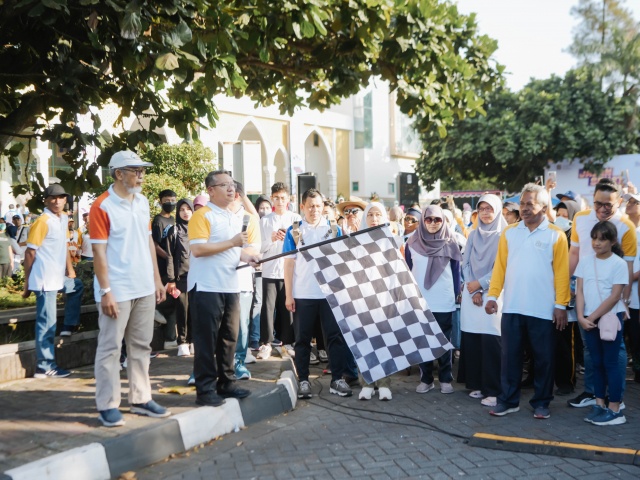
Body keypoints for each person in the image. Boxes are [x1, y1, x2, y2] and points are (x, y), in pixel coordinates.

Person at [91, 150, 170, 427]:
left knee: (141, 346)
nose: (141, 175)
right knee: (111, 347)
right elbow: (99, 254)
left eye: (142, 170)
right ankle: (107, 405)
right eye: (135, 170)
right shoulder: (102, 206)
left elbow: (149, 242)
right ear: (118, 174)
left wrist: (157, 280)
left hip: (144, 286)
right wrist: (106, 291)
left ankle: (141, 398)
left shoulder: (143, 201)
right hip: (117, 289)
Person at [485, 183, 570, 419]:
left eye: (529, 204)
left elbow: (562, 273)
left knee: (544, 359)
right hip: (512, 306)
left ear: (544, 207)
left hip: (543, 310)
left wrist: (561, 304)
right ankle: (508, 400)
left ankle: (542, 402)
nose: (524, 208)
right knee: (510, 358)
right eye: (522, 203)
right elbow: (499, 268)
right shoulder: (509, 232)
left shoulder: (556, 235)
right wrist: (493, 296)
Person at [187, 170, 259, 407]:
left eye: (232, 184)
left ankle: (226, 383)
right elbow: (198, 250)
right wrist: (233, 243)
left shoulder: (234, 217)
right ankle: (205, 389)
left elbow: (234, 250)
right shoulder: (202, 215)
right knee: (207, 340)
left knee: (229, 337)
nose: (231, 188)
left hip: (230, 286)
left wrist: (249, 258)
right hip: (206, 287)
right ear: (210, 190)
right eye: (224, 185)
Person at [567, 179, 635, 409]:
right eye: (598, 203)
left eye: (609, 205)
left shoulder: (627, 227)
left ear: (618, 203)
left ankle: (616, 399)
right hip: (584, 297)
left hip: (611, 302)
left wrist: (623, 303)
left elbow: (627, 268)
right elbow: (574, 253)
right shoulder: (580, 218)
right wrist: (567, 285)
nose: (602, 209)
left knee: (614, 352)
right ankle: (593, 393)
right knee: (590, 349)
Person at [284, 188, 353, 399]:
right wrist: (288, 295)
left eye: (318, 205)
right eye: (310, 206)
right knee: (302, 339)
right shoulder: (294, 230)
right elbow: (288, 264)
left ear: (323, 207)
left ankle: (337, 380)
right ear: (302, 206)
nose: (314, 210)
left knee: (334, 338)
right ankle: (303, 380)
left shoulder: (334, 229)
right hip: (303, 293)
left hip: (329, 294)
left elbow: (343, 261)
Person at [404, 205, 462, 395]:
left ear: (443, 221)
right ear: (422, 220)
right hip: (421, 299)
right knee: (423, 340)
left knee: (444, 341)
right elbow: (409, 269)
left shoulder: (450, 241)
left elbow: (456, 271)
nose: (433, 223)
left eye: (437, 219)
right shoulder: (412, 242)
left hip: (444, 298)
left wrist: (456, 295)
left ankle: (445, 379)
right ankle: (426, 379)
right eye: (428, 219)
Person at [576, 221, 628, 426]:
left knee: (611, 364)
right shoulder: (586, 261)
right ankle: (599, 404)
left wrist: (591, 317)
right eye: (594, 238)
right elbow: (579, 291)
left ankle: (615, 409)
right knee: (595, 363)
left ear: (613, 241)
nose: (597, 243)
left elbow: (615, 296)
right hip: (588, 319)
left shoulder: (619, 264)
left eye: (602, 239)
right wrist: (581, 316)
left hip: (608, 319)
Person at [21, 184, 76, 378]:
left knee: (77, 287)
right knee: (47, 322)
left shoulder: (62, 219)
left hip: (58, 277)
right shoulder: (43, 221)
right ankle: (44, 366)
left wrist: (70, 271)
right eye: (53, 198)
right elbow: (30, 252)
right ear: (46, 200)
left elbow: (64, 246)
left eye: (61, 197)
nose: (57, 201)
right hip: (44, 279)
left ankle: (69, 326)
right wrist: (27, 283)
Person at [457, 194, 507, 407]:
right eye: (482, 209)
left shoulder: (505, 236)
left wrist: (481, 285)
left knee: (491, 342)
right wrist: (472, 288)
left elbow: (502, 267)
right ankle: (477, 385)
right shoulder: (473, 235)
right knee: (473, 340)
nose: (486, 213)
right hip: (472, 294)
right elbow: (465, 263)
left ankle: (493, 390)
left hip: (494, 294)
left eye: (490, 209)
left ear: (497, 211)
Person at [258, 182, 301, 360]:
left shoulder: (295, 218)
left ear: (289, 198)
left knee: (288, 308)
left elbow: (300, 243)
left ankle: (288, 342)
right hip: (269, 270)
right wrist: (272, 238)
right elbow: (260, 247)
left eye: (283, 198)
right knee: (267, 308)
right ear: (272, 198)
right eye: (276, 198)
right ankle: (266, 343)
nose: (280, 201)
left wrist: (290, 237)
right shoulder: (265, 220)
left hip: (290, 271)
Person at [358, 202, 394, 401]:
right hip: (362, 299)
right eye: (370, 215)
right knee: (364, 341)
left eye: (378, 215)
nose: (374, 219)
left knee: (385, 341)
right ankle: (366, 383)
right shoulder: (356, 241)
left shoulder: (391, 240)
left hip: (385, 298)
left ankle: (384, 384)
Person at [229, 182, 261, 380]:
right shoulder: (213, 215)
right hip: (217, 281)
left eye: (230, 190)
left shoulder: (249, 219)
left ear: (237, 195)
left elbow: (254, 250)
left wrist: (226, 252)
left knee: (242, 325)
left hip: (241, 280)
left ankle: (239, 361)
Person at [552, 199, 581, 396]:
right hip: (548, 296)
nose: (561, 219)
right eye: (558, 215)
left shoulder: (578, 240)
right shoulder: (552, 235)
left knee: (565, 342)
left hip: (568, 299)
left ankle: (567, 381)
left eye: (565, 216)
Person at [165, 199, 194, 358]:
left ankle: (194, 340)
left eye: (188, 209)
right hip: (180, 278)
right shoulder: (173, 230)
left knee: (195, 310)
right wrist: (171, 279)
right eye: (182, 209)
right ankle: (182, 341)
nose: (185, 212)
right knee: (182, 310)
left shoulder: (199, 228)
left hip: (197, 277)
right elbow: (169, 256)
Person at [152, 189, 178, 349]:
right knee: (165, 298)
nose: (170, 203)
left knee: (173, 301)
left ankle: (170, 339)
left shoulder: (173, 219)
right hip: (161, 267)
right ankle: (154, 310)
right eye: (167, 200)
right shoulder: (158, 221)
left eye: (173, 200)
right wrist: (168, 256)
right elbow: (154, 244)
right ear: (160, 201)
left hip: (173, 267)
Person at [624, 192, 640, 384]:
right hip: (619, 295)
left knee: (636, 339)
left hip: (635, 296)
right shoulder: (622, 229)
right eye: (628, 201)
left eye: (635, 202)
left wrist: (627, 279)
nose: (629, 204)